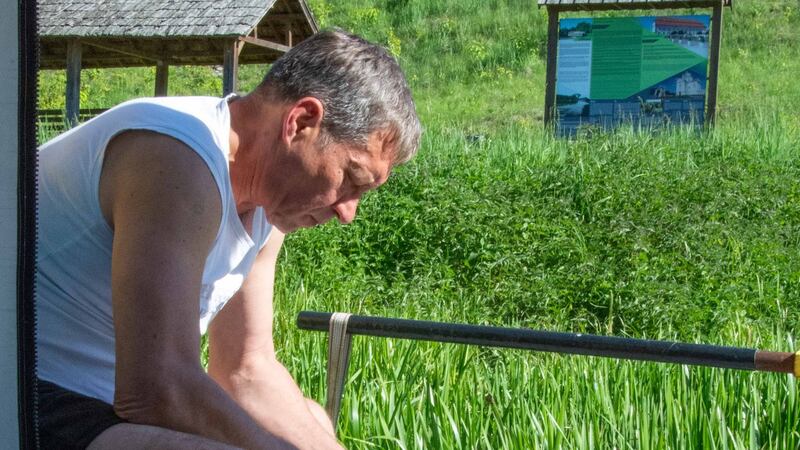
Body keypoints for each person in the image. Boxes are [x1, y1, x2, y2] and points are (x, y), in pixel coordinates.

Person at [36, 30, 421, 449]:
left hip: (99, 406)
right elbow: (154, 389)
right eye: (351, 179)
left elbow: (246, 369)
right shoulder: (177, 160)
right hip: (30, 389)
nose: (348, 213)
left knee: (308, 419)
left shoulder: (265, 209)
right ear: (301, 122)